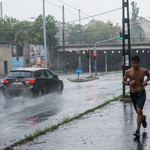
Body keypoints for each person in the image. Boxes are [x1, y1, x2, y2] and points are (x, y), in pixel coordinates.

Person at [122, 55, 150, 137]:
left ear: (139, 63)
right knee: (138, 113)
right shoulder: (128, 72)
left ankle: (137, 130)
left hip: (141, 93)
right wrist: (128, 83)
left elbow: (149, 76)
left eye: (136, 63)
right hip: (133, 93)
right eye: (133, 63)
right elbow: (123, 81)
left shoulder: (144, 71)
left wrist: (146, 81)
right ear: (132, 63)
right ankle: (143, 118)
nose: (135, 65)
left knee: (138, 111)